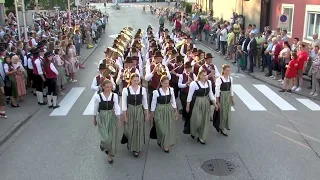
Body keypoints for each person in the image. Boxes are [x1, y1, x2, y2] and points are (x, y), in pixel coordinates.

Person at [93, 79, 121, 164]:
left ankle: (109, 155)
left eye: (110, 87)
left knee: (111, 137)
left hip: (112, 117)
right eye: (107, 87)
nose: (109, 88)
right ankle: (103, 144)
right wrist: (94, 119)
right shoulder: (98, 96)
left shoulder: (114, 96)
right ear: (103, 87)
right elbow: (95, 109)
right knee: (105, 138)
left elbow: (116, 107)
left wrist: (119, 119)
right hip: (102, 117)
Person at [121, 73, 148, 157]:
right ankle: (131, 145)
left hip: (139, 110)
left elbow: (145, 103)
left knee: (138, 129)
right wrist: (124, 116)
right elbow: (124, 105)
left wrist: (146, 114)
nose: (136, 82)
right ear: (131, 80)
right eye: (134, 80)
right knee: (131, 129)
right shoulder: (126, 90)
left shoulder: (142, 90)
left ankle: (137, 148)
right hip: (130, 111)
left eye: (137, 80)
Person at [186, 69, 216, 144]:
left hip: (206, 102)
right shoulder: (194, 83)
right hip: (197, 102)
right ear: (199, 75)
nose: (204, 77)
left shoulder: (208, 82)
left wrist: (215, 104)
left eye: (206, 75)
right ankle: (194, 131)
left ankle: (202, 137)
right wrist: (187, 106)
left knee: (205, 120)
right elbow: (189, 95)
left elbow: (211, 94)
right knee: (197, 120)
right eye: (203, 75)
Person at [150, 75, 178, 153]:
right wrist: (152, 113)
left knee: (167, 128)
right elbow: (153, 103)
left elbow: (173, 101)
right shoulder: (156, 92)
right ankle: (160, 140)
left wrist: (175, 111)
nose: (167, 85)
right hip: (159, 110)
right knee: (161, 128)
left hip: (169, 110)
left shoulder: (171, 90)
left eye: (168, 83)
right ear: (161, 83)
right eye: (165, 83)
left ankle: (165, 145)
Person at [214, 64, 234, 136]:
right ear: (223, 71)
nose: (228, 72)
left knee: (227, 112)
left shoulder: (230, 78)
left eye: (229, 70)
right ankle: (221, 127)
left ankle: (224, 127)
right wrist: (217, 101)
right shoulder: (219, 79)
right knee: (222, 112)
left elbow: (231, 89)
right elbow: (217, 90)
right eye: (227, 70)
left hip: (228, 96)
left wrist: (232, 98)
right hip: (222, 96)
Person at [178, 61, 196, 134]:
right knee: (185, 105)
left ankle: (189, 119)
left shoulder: (193, 75)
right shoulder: (182, 76)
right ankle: (184, 115)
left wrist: (192, 82)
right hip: (184, 93)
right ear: (185, 68)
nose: (188, 70)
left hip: (191, 94)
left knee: (191, 107)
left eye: (189, 68)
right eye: (187, 68)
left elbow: (196, 84)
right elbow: (179, 85)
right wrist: (186, 84)